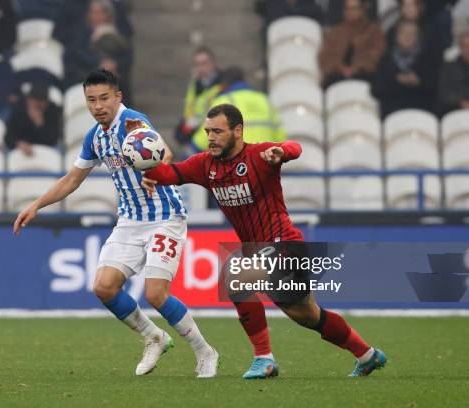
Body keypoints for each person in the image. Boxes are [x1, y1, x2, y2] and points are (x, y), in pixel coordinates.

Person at [142, 103, 387, 379]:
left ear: (237, 131)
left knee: (235, 278)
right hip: (259, 250)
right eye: (208, 131)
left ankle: (264, 359)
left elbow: (295, 147)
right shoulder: (204, 165)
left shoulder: (260, 155)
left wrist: (281, 151)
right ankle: (367, 355)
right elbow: (170, 174)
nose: (210, 137)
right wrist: (145, 166)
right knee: (307, 314)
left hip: (285, 244)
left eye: (218, 131)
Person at [13, 69, 219, 378]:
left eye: (104, 98)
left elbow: (165, 153)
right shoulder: (95, 136)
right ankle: (153, 336)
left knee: (154, 293)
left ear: (118, 97)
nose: (98, 106)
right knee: (104, 287)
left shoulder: (134, 122)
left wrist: (153, 172)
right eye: (91, 100)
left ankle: (205, 352)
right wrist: (36, 205)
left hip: (164, 216)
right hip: (129, 220)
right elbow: (72, 180)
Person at [192, 66, 285, 153]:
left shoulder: (223, 101)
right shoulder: (264, 100)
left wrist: (190, 149)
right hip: (265, 163)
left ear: (224, 84)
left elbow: (204, 139)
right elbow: (281, 137)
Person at [372, 20, 438, 117]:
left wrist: (418, 82)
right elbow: (376, 90)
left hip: (421, 113)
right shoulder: (386, 60)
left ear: (418, 37)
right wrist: (397, 80)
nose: (407, 37)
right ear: (396, 36)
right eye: (403, 33)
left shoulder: (427, 59)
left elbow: (436, 88)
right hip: (392, 114)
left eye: (412, 34)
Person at [319, 0, 386, 88]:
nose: (350, 12)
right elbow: (325, 55)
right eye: (348, 9)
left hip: (365, 75)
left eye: (354, 8)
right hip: (337, 75)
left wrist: (357, 67)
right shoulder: (335, 32)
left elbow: (377, 53)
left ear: (362, 10)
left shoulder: (374, 31)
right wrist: (341, 68)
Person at [176, 46, 221, 147]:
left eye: (204, 63)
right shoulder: (195, 84)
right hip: (194, 131)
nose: (201, 68)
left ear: (213, 63)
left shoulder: (221, 84)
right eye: (197, 64)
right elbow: (190, 108)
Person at [4, 81, 62, 155]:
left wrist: (40, 124)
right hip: (20, 148)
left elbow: (53, 139)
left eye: (40, 106)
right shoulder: (19, 108)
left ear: (46, 103)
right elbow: (8, 136)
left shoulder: (53, 110)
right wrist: (18, 144)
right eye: (34, 104)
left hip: (45, 147)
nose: (36, 108)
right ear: (28, 100)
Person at [438, 31, 469, 115]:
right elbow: (443, 92)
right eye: (465, 46)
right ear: (460, 48)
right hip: (453, 112)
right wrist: (461, 102)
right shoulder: (449, 67)